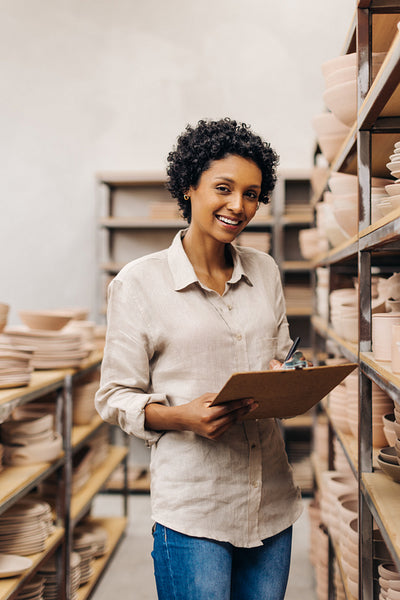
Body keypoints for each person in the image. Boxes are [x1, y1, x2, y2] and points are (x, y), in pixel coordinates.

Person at [95, 118, 303, 600]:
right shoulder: (138, 283)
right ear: (189, 187)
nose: (239, 206)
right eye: (224, 189)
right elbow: (114, 397)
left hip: (272, 501)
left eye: (252, 194)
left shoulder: (265, 270)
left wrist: (291, 376)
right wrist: (182, 417)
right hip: (195, 509)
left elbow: (283, 356)